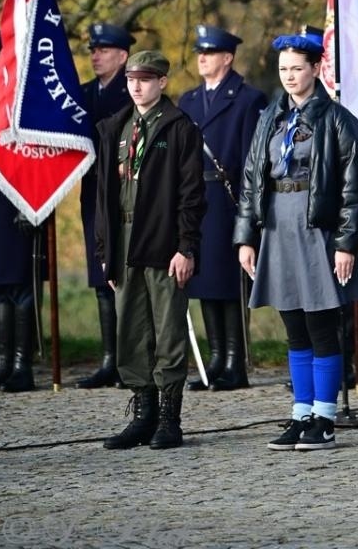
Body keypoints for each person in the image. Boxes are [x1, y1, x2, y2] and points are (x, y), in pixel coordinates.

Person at [233, 27, 358, 451]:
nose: (289, 76)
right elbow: (252, 178)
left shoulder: (340, 121)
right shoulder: (270, 118)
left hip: (317, 231)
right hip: (277, 227)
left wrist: (345, 243)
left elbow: (353, 190)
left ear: (315, 69)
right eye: (283, 69)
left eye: (297, 68)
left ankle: (325, 419)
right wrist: (246, 237)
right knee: (294, 326)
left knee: (321, 325)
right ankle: (301, 413)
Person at [95, 50, 206, 451]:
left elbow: (192, 195)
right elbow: (104, 195)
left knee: (168, 330)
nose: (137, 87)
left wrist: (186, 247)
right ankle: (143, 416)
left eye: (145, 79)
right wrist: (104, 251)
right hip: (124, 241)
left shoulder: (179, 128)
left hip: (163, 242)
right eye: (131, 80)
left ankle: (169, 419)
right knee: (130, 329)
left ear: (162, 82)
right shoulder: (116, 127)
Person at [179, 23, 267, 390]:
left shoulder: (248, 99)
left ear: (228, 58)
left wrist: (250, 211)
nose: (202, 58)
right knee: (204, 281)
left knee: (230, 284)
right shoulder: (188, 101)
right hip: (197, 199)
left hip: (229, 201)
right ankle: (216, 359)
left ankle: (235, 361)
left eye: (210, 52)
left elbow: (252, 161)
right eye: (200, 52)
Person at [77, 21, 135, 389]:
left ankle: (130, 359)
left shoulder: (132, 92)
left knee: (125, 277)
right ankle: (109, 359)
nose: (96, 56)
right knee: (102, 276)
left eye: (104, 50)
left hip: (124, 193)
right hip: (93, 192)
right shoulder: (82, 94)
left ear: (123, 56)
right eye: (93, 51)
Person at [0, 28, 38, 393]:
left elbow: (39, 156)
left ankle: (22, 364)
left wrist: (32, 203)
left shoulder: (21, 99)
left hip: (16, 199)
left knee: (20, 283)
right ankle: (4, 362)